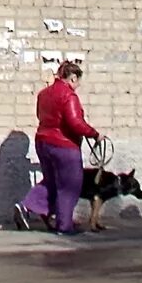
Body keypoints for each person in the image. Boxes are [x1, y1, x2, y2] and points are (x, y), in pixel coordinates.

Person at [32, 54, 99, 236]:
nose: (77, 87)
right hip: (64, 145)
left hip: (42, 141)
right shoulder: (69, 96)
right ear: (73, 78)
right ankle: (64, 226)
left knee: (51, 182)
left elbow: (40, 116)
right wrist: (94, 134)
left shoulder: (43, 94)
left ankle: (27, 207)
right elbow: (75, 122)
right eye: (77, 82)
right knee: (69, 186)